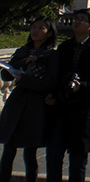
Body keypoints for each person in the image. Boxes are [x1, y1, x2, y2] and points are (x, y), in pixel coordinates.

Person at [46, 9, 90, 182]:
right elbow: (55, 75)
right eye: (76, 18)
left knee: (77, 161)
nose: (76, 21)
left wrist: (81, 87)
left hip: (83, 112)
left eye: (82, 20)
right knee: (53, 156)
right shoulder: (64, 48)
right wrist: (53, 94)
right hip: (62, 108)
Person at [0, 17, 58, 182]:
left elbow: (50, 82)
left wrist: (24, 79)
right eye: (34, 27)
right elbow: (6, 74)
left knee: (30, 150)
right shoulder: (23, 51)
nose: (36, 31)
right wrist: (24, 62)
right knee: (9, 147)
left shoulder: (51, 55)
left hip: (36, 104)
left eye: (41, 28)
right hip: (17, 102)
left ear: (49, 33)